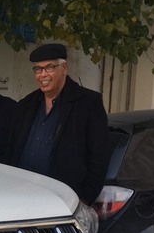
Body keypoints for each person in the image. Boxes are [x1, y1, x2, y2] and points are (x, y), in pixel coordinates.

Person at [8, 43, 111, 205]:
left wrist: (84, 198)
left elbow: (99, 156)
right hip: (22, 196)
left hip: (63, 200)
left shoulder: (87, 103)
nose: (43, 75)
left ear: (64, 68)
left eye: (49, 67)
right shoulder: (26, 104)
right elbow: (12, 148)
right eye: (38, 69)